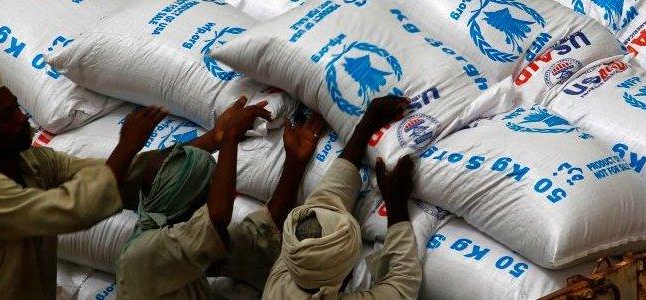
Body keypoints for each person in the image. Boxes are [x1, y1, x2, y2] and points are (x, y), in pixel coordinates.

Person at [0, 68, 166, 299]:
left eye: (16, 108)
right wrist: (127, 145)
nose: (21, 119)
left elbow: (105, 172)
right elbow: (71, 209)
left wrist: (193, 150)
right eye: (7, 116)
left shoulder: (32, 163)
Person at [115, 98, 327, 298]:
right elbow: (216, 219)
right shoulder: (143, 256)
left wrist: (295, 163)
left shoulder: (182, 237)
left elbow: (258, 233)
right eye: (204, 197)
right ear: (185, 206)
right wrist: (229, 138)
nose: (206, 203)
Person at [263, 96, 423, 299]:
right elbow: (403, 284)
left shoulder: (285, 276)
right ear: (346, 272)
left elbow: (327, 196)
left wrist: (366, 125)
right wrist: (397, 205)